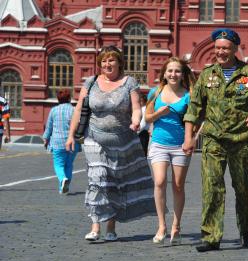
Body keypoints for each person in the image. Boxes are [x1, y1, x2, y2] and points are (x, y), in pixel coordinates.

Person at [182, 28, 248, 252]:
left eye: (225, 48)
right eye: (217, 48)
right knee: (211, 188)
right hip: (213, 140)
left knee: (243, 189)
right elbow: (194, 107)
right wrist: (189, 138)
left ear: (234, 49)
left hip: (241, 140)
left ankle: (245, 230)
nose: (220, 52)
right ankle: (211, 236)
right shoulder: (207, 74)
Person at [65, 45, 156, 242]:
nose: (107, 64)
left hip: (122, 141)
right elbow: (79, 110)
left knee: (114, 183)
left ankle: (111, 227)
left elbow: (136, 107)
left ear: (119, 63)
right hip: (94, 138)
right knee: (98, 179)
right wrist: (71, 135)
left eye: (111, 60)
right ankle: (95, 226)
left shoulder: (129, 82)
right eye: (104, 61)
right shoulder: (91, 82)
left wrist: (135, 121)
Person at [145, 57, 196, 245]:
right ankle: (161, 226)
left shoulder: (189, 95)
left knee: (178, 186)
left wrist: (190, 140)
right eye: (170, 71)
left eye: (177, 71)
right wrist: (160, 113)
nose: (173, 74)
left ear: (182, 74)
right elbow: (148, 118)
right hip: (158, 143)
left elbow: (194, 120)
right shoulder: (155, 92)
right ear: (164, 74)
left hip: (180, 146)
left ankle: (176, 226)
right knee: (159, 182)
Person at [43, 90, 80, 194]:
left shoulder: (53, 110)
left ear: (58, 99)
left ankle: (63, 179)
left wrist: (45, 138)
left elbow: (49, 127)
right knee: (69, 164)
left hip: (57, 142)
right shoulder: (74, 110)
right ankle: (63, 188)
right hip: (72, 142)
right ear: (69, 98)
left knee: (58, 165)